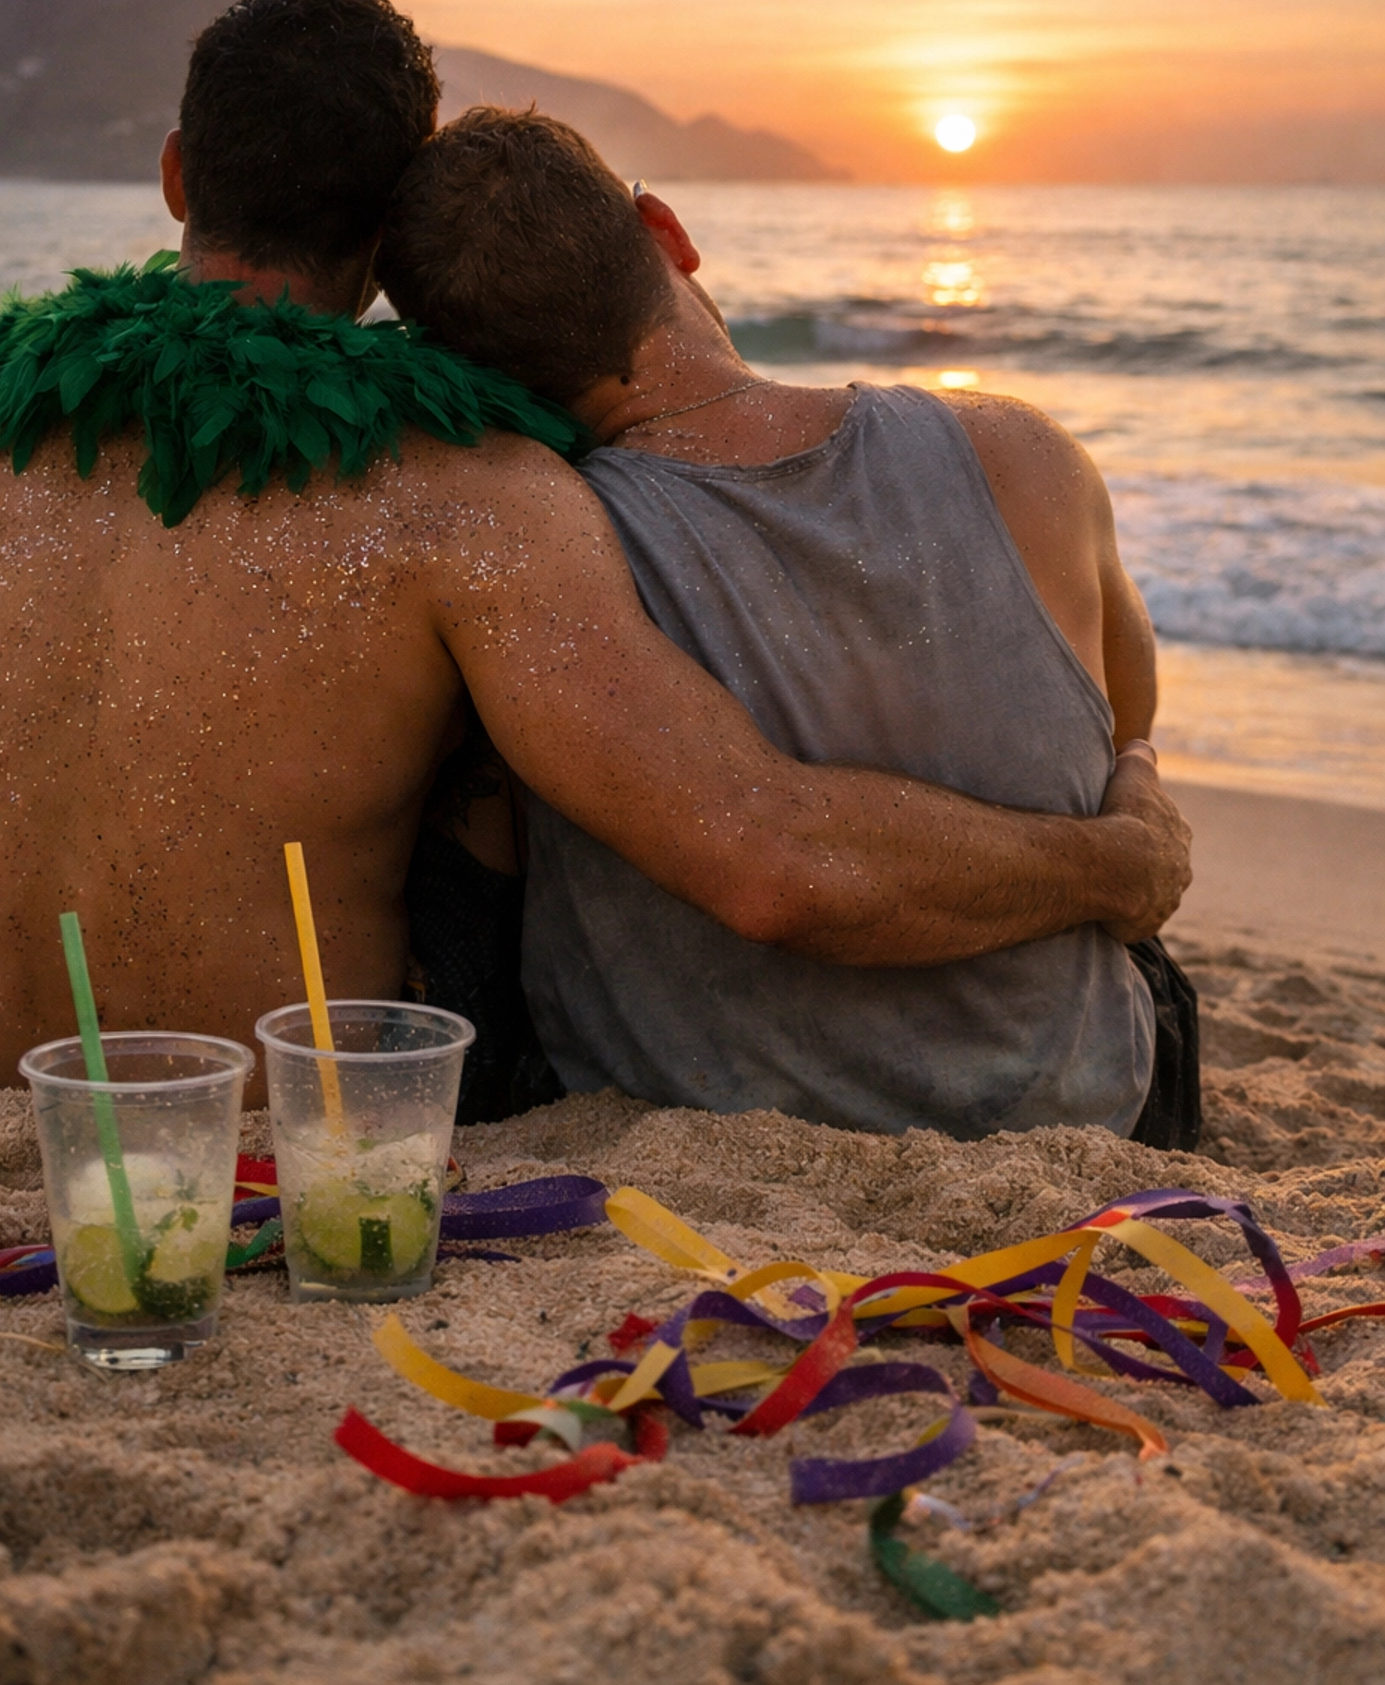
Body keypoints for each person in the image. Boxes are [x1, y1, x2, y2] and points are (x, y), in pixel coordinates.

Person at [0, 0, 1189, 1113]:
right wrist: (1112, 863)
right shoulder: (461, 493)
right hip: (285, 1099)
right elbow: (771, 859)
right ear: (386, 231)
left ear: (181, 175)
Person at [376, 108, 1201, 1148]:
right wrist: (1117, 841)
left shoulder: (533, 554)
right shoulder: (1023, 453)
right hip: (1081, 1108)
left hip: (692, 1115)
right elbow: (1125, 718)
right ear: (666, 230)